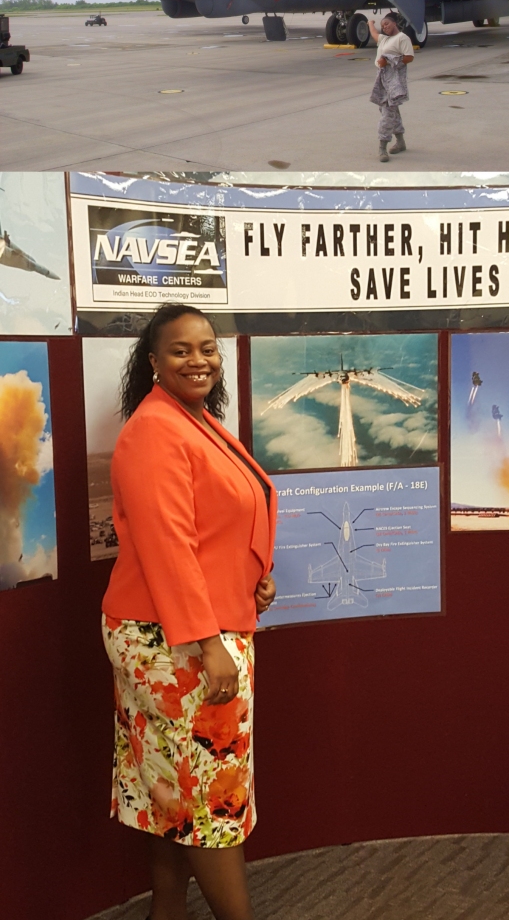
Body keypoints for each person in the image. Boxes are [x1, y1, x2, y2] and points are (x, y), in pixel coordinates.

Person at [101, 303, 277, 920]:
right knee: (209, 795)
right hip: (169, 641)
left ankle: (167, 911)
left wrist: (251, 578)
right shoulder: (155, 430)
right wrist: (207, 641)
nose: (198, 359)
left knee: (172, 785)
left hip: (191, 629)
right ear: (153, 361)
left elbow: (213, 528)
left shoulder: (193, 420)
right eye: (180, 350)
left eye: (207, 348)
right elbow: (166, 546)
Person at [368, 12, 415, 162]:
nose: (385, 27)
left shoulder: (402, 38)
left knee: (387, 113)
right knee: (388, 108)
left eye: (387, 24)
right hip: (382, 77)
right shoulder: (384, 39)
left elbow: (409, 57)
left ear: (394, 23)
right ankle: (400, 141)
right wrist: (370, 24)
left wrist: (388, 61)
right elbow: (375, 35)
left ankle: (382, 146)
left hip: (394, 78)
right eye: (383, 26)